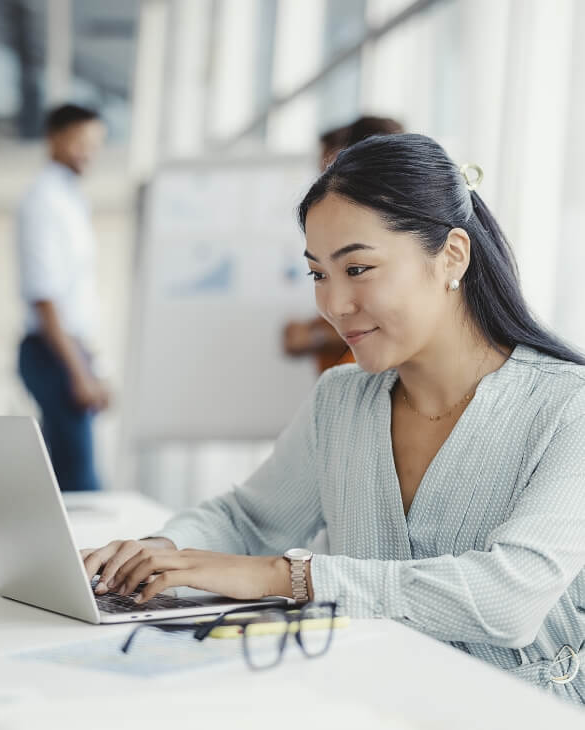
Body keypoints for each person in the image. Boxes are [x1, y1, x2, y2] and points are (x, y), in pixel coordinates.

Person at [82, 133, 585, 704]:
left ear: (452, 256)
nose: (334, 305)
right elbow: (249, 520)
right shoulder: (343, 399)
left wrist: (287, 577)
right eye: (319, 274)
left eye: (359, 268)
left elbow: (509, 600)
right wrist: (159, 550)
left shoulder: (569, 408)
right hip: (365, 703)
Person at [16, 104, 109, 492]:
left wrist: (93, 366)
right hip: (53, 352)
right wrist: (80, 372)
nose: (88, 152)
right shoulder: (44, 201)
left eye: (96, 144)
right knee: (80, 483)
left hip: (69, 351)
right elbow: (47, 297)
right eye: (80, 141)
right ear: (54, 138)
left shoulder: (70, 199)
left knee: (64, 478)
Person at [283, 115, 404, 374]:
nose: (324, 186)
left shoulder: (395, 235)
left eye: (329, 170)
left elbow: (395, 317)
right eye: (317, 274)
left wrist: (314, 336)